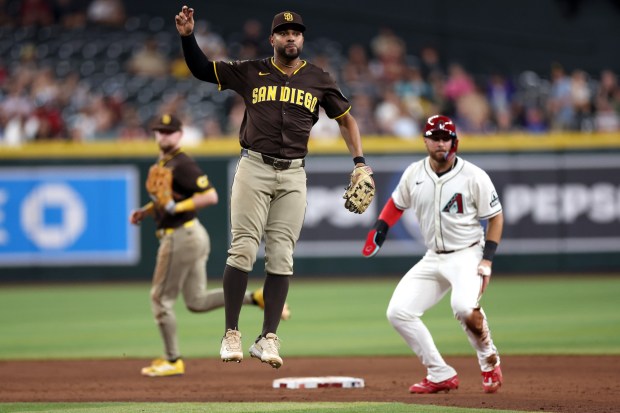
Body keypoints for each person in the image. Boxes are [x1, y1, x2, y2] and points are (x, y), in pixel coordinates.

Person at [175, 6, 373, 369]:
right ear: (273, 39)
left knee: (282, 256)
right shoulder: (252, 70)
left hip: (294, 174)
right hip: (254, 167)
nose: (291, 37)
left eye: (296, 32)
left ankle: (267, 338)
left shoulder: (318, 78)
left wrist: (360, 162)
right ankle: (231, 332)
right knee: (243, 250)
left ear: (303, 38)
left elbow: (346, 121)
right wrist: (188, 37)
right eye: (284, 32)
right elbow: (202, 69)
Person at [130, 113, 289, 377]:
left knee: (160, 299)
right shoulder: (165, 162)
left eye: (169, 131)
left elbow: (210, 195)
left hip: (180, 236)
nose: (163, 135)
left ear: (180, 135)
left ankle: (172, 360)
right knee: (196, 301)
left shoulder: (181, 163)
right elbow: (166, 197)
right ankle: (255, 297)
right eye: (160, 131)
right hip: (190, 236)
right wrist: (147, 211)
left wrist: (175, 206)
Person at [362, 115, 504, 394]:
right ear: (425, 141)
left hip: (467, 254)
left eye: (445, 138)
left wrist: (487, 259)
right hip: (433, 257)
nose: (440, 143)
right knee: (398, 312)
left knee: (463, 308)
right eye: (435, 138)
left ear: (454, 142)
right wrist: (380, 228)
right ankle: (440, 372)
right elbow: (395, 204)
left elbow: (496, 218)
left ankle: (489, 358)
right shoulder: (414, 173)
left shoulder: (474, 176)